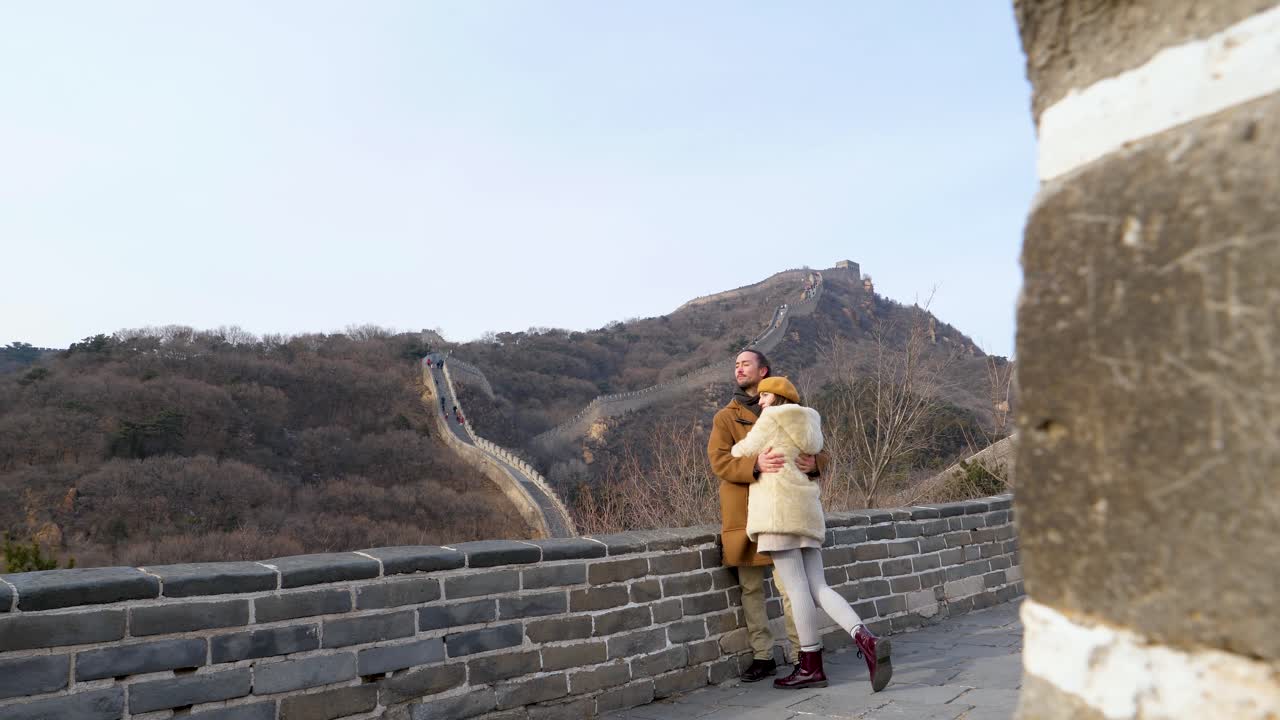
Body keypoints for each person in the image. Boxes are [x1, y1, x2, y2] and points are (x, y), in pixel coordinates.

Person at [732, 376, 891, 692]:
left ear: (776, 398)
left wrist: (754, 451)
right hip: (807, 511)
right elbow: (815, 458)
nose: (760, 401)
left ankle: (810, 666)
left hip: (779, 512)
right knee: (818, 586)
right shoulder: (810, 421)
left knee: (796, 590)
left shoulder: (771, 418)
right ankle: (865, 637)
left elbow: (740, 451)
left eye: (764, 396)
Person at [707, 350, 811, 682]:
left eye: (745, 364)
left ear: (763, 370)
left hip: (781, 511)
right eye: (735, 364)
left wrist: (816, 464)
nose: (738, 368)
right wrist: (754, 465)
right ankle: (763, 655)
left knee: (790, 587)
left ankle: (802, 655)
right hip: (743, 510)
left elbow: (815, 447)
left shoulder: (789, 409)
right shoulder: (726, 417)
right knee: (751, 590)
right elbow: (719, 462)